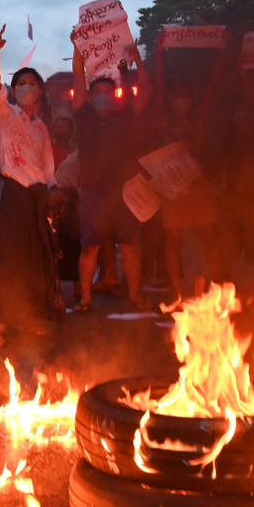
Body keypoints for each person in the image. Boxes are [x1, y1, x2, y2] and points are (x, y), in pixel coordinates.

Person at [68, 35, 155, 312]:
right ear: (92, 98)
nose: (104, 95)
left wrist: (137, 58)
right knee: (90, 246)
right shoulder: (83, 116)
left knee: (130, 245)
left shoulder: (124, 115)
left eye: (109, 91)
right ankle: (85, 298)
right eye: (99, 92)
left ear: (113, 96)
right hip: (93, 192)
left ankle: (135, 297)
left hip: (125, 193)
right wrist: (78, 48)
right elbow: (78, 77)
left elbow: (148, 90)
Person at [0, 25, 59, 346]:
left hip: (38, 197)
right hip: (14, 194)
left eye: (32, 84)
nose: (27, 88)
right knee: (9, 259)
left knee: (35, 260)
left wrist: (53, 195)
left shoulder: (42, 130)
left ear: (40, 92)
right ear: (14, 91)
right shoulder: (6, 117)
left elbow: (48, 168)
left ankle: (31, 317)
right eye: (21, 84)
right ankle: (0, 325)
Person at [154, 50, 228, 302]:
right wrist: (160, 51)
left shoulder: (199, 117)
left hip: (199, 184)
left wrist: (221, 52)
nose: (182, 100)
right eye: (177, 96)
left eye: (186, 96)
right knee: (173, 239)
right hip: (174, 187)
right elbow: (159, 85)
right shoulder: (163, 120)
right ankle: (175, 292)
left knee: (210, 234)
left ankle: (219, 289)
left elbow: (212, 86)